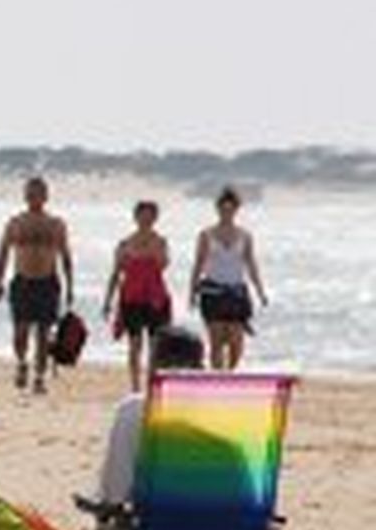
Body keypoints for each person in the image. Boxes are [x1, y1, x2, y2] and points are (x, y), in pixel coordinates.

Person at [96, 326, 205, 505]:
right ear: (201, 370)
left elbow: (115, 493)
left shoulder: (133, 411)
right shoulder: (226, 415)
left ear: (154, 368)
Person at [0, 177, 74, 394]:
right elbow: (3, 253)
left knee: (43, 333)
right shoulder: (16, 223)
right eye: (30, 193)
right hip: (23, 281)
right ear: (25, 196)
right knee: (20, 331)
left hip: (47, 282)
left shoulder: (56, 224)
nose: (34, 198)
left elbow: (66, 256)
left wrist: (70, 287)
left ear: (46, 197)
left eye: (38, 193)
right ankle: (21, 363)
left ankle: (39, 377)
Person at [189, 187, 268, 370]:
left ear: (236, 210)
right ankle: (218, 379)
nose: (226, 212)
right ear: (217, 209)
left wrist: (260, 291)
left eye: (230, 209)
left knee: (236, 342)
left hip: (236, 292)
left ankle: (230, 373)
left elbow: (251, 264)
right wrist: (192, 291)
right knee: (216, 341)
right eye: (223, 208)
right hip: (212, 291)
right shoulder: (206, 235)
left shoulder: (245, 236)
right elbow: (198, 264)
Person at [103, 201, 172, 391]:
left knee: (155, 346)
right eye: (143, 215)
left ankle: (152, 384)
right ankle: (135, 386)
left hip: (156, 298)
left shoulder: (161, 242)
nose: (146, 220)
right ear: (136, 217)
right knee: (134, 344)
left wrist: (154, 251)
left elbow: (164, 265)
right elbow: (115, 274)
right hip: (131, 298)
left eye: (150, 216)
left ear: (155, 218)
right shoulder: (124, 244)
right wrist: (108, 301)